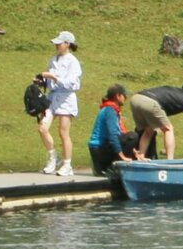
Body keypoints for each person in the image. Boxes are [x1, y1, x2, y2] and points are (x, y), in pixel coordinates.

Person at [37, 31, 83, 176]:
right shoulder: (53, 60)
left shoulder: (73, 61)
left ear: (67, 44)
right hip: (53, 97)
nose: (57, 45)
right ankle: (53, 157)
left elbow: (71, 83)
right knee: (42, 128)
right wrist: (42, 80)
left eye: (60, 43)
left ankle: (67, 164)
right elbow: (50, 81)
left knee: (63, 132)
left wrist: (52, 76)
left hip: (66, 98)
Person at [88, 85, 131, 173]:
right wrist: (122, 156)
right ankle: (111, 166)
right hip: (99, 149)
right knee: (132, 137)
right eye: (124, 95)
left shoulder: (110, 109)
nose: (126, 98)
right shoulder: (110, 111)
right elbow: (113, 135)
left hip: (98, 148)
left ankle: (103, 166)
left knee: (129, 137)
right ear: (117, 96)